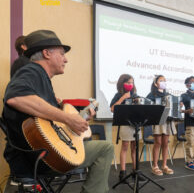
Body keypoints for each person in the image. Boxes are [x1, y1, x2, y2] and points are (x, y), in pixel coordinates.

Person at [2, 30, 114, 193]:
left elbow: (50, 125)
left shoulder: (41, 78)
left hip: (38, 155)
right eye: (62, 54)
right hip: (38, 159)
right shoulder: (32, 71)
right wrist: (68, 119)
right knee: (106, 148)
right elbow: (15, 98)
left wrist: (78, 121)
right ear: (47, 53)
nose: (66, 59)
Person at [110, 74, 145, 181]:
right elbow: (112, 109)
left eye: (132, 82)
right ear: (122, 83)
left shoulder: (135, 95)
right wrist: (122, 98)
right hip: (125, 124)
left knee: (135, 148)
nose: (130, 84)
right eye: (128, 82)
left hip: (135, 124)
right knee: (125, 147)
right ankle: (123, 173)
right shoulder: (118, 95)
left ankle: (135, 171)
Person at [146, 75, 176, 175]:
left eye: (165, 80)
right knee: (158, 142)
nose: (164, 82)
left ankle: (164, 165)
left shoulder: (168, 94)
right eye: (161, 80)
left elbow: (173, 106)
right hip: (158, 121)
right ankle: (155, 166)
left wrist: (178, 104)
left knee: (165, 143)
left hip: (167, 121)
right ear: (155, 83)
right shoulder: (152, 94)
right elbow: (147, 105)